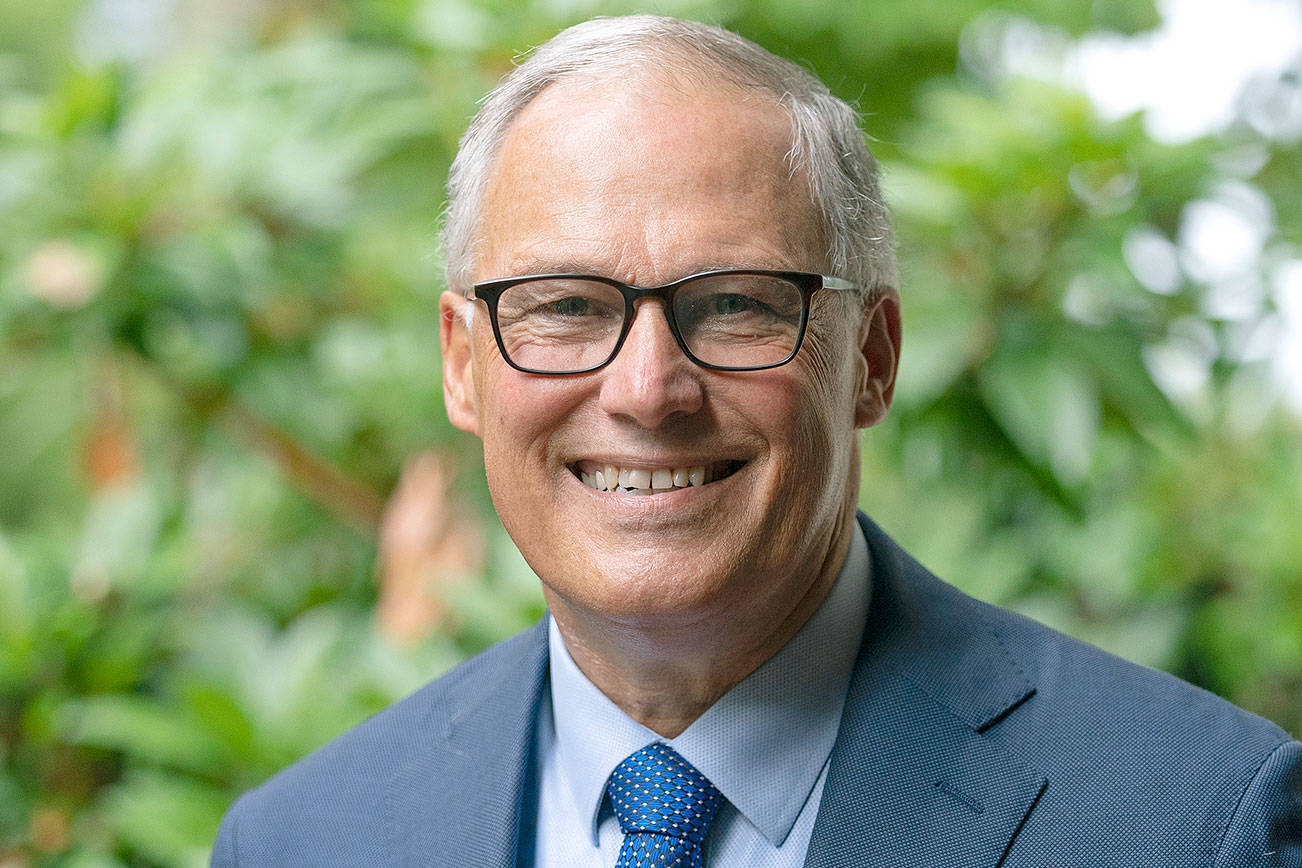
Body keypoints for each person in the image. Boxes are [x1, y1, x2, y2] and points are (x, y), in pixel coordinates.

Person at [211, 15, 1301, 867]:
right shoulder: (300, 841)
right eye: (566, 306)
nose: (647, 388)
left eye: (735, 304)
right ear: (462, 362)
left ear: (870, 357)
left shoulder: (1197, 823)